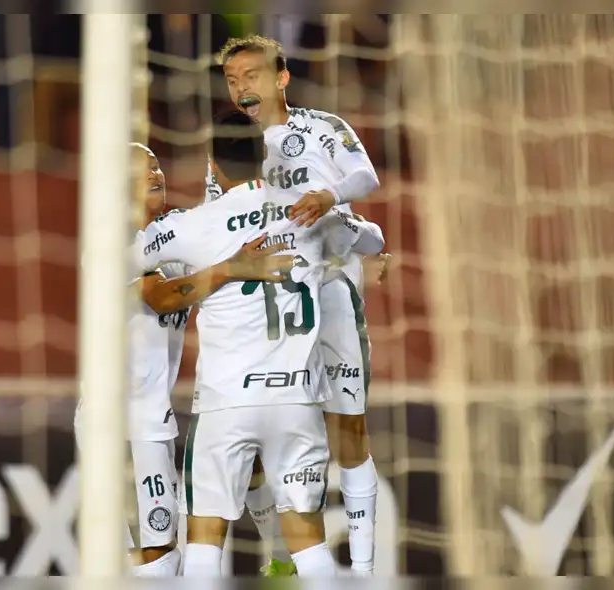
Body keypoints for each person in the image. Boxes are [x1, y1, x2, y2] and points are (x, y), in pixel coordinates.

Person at [135, 110, 385, 578]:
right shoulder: (308, 212)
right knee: (309, 545)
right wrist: (367, 243)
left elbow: (126, 253)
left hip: (225, 404)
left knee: (205, 541)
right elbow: (369, 238)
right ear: (266, 158)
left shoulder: (193, 225)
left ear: (212, 166)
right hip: (296, 400)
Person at [205, 34, 389, 577]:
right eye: (233, 80)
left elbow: (366, 177)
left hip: (328, 295)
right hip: (264, 305)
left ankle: (363, 570)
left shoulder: (322, 128)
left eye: (252, 76)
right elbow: (218, 217)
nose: (242, 88)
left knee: (348, 430)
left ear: (281, 77)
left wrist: (332, 202)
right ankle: (281, 557)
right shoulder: (230, 143)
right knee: (259, 440)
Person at [75, 143, 292, 577]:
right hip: (109, 421)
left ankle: (284, 563)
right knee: (143, 559)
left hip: (151, 419)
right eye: (140, 169)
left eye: (156, 164)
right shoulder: (108, 244)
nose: (155, 174)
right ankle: (285, 563)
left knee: (244, 470)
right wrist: (231, 268)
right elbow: (161, 297)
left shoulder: (177, 234)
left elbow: (223, 235)